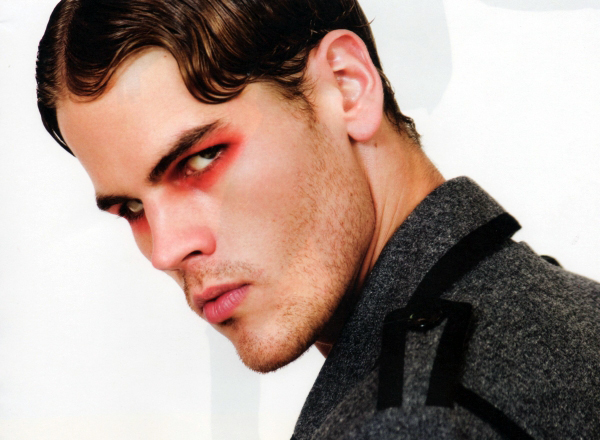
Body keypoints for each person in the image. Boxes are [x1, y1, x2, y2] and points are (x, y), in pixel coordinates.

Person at [36, 0, 600, 438]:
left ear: (347, 87)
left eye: (200, 159)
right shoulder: (568, 312)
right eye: (132, 208)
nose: (166, 250)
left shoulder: (410, 422)